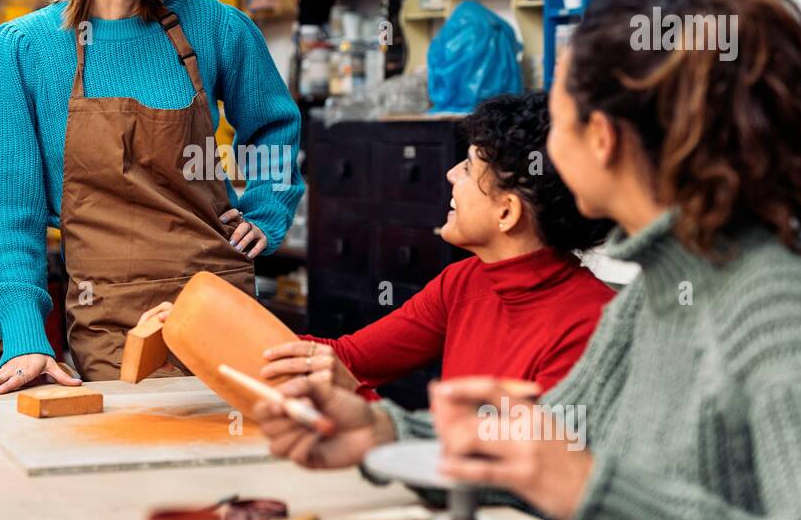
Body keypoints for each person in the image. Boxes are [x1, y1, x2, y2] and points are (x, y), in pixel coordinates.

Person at [253, 0, 801, 520]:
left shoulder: (790, 310)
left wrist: (591, 491)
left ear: (602, 138)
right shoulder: (656, 295)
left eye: (556, 121)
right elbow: (540, 447)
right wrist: (381, 433)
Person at [0, 0, 303, 393]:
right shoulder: (25, 49)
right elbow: (6, 218)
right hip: (109, 317)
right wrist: (25, 337)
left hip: (219, 304)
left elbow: (274, 124)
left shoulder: (215, 25)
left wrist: (267, 211)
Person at [256, 92, 614, 395]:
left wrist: (368, 413)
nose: (450, 173)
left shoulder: (593, 326)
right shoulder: (464, 281)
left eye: (470, 168)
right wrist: (228, 334)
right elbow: (349, 359)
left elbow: (519, 460)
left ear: (507, 212)